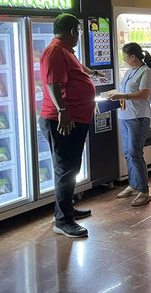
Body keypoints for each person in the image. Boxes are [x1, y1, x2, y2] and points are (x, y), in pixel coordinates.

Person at [38, 13, 106, 238]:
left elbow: (77, 69)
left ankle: (66, 209)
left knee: (71, 167)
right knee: (66, 169)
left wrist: (93, 73)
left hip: (75, 118)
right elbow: (52, 84)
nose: (79, 36)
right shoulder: (55, 52)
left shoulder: (65, 52)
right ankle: (63, 220)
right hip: (63, 120)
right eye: (78, 31)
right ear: (72, 32)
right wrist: (63, 112)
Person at [108, 43, 151, 207]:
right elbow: (126, 91)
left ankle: (144, 190)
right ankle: (133, 184)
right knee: (128, 153)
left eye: (125, 56)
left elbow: (143, 94)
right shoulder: (129, 71)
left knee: (136, 153)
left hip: (138, 117)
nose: (124, 59)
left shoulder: (146, 72)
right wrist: (114, 94)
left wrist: (122, 95)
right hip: (125, 116)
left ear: (133, 57)